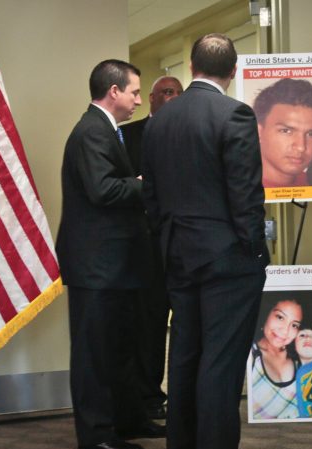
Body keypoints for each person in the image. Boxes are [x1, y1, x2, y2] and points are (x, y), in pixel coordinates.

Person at [141, 33, 270, 449]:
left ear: (191, 67)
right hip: (227, 257)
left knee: (186, 350)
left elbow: (152, 198)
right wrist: (255, 247)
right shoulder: (234, 113)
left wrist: (169, 239)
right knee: (222, 355)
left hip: (178, 252)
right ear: (232, 72)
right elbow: (246, 194)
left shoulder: (159, 120)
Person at [56, 59, 164, 449]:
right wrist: (143, 184)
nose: (139, 99)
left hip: (116, 263)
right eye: (135, 91)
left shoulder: (108, 130)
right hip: (96, 265)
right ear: (114, 91)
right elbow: (103, 191)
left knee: (122, 348)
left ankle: (128, 419)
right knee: (95, 353)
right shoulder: (91, 132)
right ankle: (97, 433)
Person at [121, 75, 184, 420]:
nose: (173, 97)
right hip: (144, 248)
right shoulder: (129, 136)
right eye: (166, 92)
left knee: (187, 324)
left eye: (178, 92)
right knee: (149, 324)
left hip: (185, 245)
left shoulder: (192, 133)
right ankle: (147, 395)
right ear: (152, 99)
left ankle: (183, 394)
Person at [252, 78, 312, 188]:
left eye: (311, 134)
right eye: (286, 131)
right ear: (258, 132)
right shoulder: (242, 190)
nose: (301, 147)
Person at [250, 299, 303, 420]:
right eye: (280, 317)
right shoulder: (250, 358)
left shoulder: (301, 360)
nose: (285, 330)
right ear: (266, 314)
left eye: (294, 325)